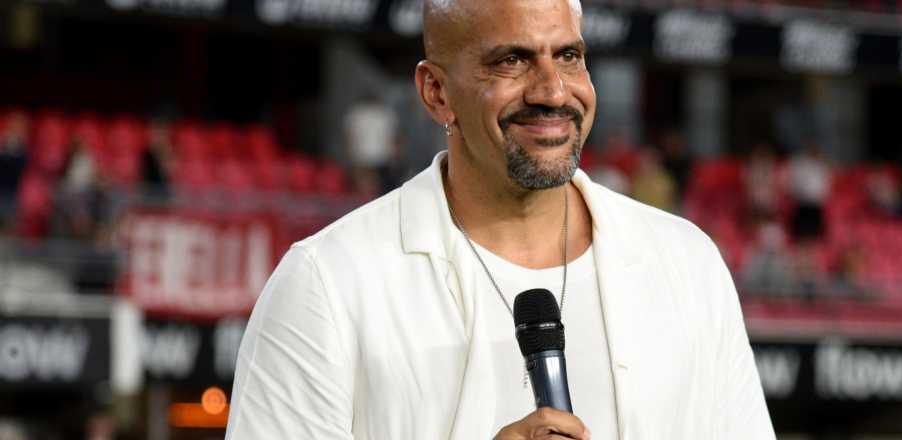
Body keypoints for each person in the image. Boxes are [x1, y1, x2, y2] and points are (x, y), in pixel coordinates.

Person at [226, 0, 774, 439]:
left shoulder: (687, 262)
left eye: (568, 56)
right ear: (436, 92)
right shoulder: (326, 283)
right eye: (512, 60)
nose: (552, 91)